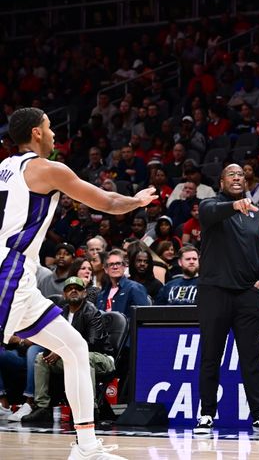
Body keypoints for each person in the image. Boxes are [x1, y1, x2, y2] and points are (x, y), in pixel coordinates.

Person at [0, 107, 155, 459]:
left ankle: (86, 447)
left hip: (21, 277)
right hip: (7, 270)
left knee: (74, 348)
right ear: (36, 133)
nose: (54, 134)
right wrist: (138, 201)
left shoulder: (4, 168)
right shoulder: (46, 169)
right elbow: (111, 203)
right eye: (50, 127)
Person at [194, 164, 259, 434]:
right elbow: (208, 213)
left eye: (241, 175)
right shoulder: (211, 206)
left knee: (252, 358)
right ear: (221, 181)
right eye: (231, 174)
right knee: (210, 357)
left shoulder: (256, 214)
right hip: (214, 292)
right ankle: (207, 414)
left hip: (247, 296)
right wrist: (235, 206)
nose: (237, 178)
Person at [21, 277, 115, 424]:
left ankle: (89, 410)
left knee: (84, 358)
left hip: (101, 358)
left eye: (77, 288)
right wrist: (56, 350)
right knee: (41, 358)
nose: (73, 291)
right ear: (64, 294)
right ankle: (42, 408)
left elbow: (92, 344)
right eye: (69, 289)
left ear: (84, 293)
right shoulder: (60, 313)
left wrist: (61, 351)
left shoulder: (91, 312)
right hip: (69, 356)